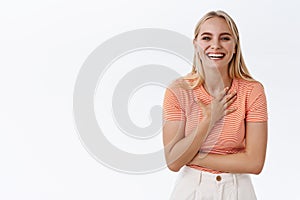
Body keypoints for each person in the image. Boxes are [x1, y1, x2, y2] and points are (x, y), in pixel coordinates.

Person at [162, 10, 268, 200]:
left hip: (238, 190)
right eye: (206, 38)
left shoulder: (252, 91)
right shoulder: (178, 91)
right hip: (191, 189)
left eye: (225, 38)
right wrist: (210, 119)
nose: (215, 45)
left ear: (235, 46)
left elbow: (254, 163)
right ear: (196, 44)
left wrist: (191, 156)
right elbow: (173, 163)